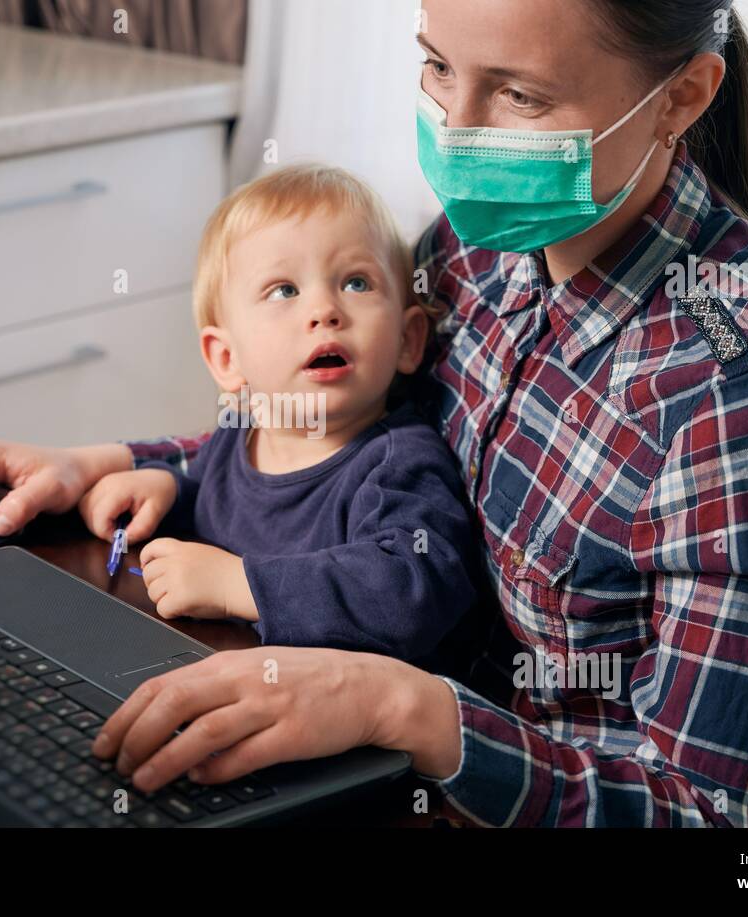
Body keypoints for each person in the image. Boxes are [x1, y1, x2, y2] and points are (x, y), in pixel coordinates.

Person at [0, 0, 748, 826]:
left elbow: (722, 818)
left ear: (681, 96)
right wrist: (119, 461)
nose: (460, 130)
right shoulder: (485, 245)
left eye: (518, 95)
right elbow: (345, 419)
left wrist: (402, 707)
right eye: (438, 69)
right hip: (382, 763)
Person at [77, 163, 480, 664]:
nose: (324, 310)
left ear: (408, 339)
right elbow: (217, 513)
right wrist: (168, 491)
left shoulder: (398, 464)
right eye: (284, 290)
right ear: (227, 359)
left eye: (356, 282)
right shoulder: (238, 435)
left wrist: (239, 584)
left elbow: (410, 592)